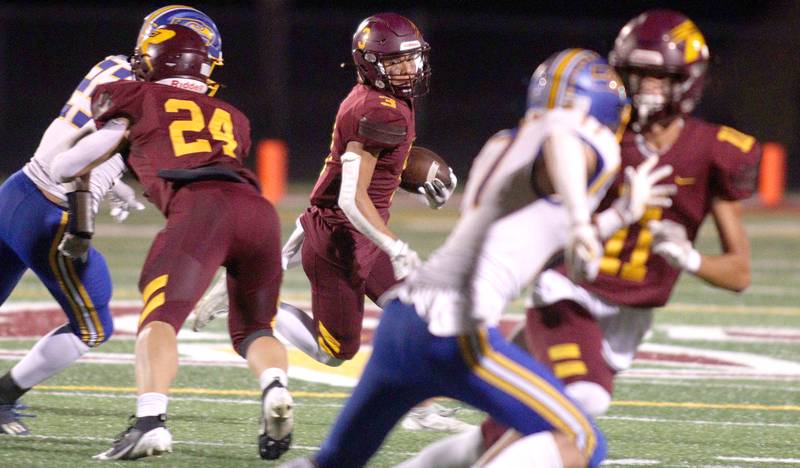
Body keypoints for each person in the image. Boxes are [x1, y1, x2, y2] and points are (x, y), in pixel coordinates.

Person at [403, 10, 761, 467]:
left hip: (626, 318)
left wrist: (689, 257)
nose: (647, 88)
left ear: (687, 80)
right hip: (569, 293)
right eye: (638, 75)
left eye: (659, 76)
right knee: (583, 401)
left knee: (491, 435)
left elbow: (739, 273)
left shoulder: (713, 150)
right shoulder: (603, 132)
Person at [280, 48, 663, 468]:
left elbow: (539, 234)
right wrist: (579, 215)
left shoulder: (504, 143)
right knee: (580, 440)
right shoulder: (575, 136)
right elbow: (563, 140)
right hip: (454, 333)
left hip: (402, 323)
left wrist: (617, 216)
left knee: (332, 463)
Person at [193, 11, 467, 432]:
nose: (409, 68)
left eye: (412, 58)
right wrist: (395, 244)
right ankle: (245, 297)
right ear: (371, 64)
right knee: (333, 351)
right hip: (344, 240)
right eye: (396, 61)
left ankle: (418, 409)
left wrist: (421, 175)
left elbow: (332, 186)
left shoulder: (384, 100)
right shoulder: (377, 111)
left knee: (419, 308)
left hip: (347, 230)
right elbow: (348, 199)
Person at [50, 25, 292, 461]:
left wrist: (66, 162)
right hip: (258, 212)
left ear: (154, 62)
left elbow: (74, 162)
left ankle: (150, 422)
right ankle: (274, 386)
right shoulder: (232, 115)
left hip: (201, 211)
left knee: (160, 318)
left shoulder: (134, 96)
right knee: (256, 328)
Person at [0, 3, 220, 436]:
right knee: (94, 326)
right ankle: (4, 395)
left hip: (15, 193)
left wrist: (113, 184)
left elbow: (78, 140)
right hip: (50, 214)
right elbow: (79, 161)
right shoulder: (145, 98)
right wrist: (81, 223)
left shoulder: (113, 66)